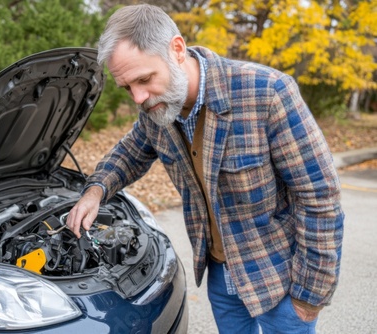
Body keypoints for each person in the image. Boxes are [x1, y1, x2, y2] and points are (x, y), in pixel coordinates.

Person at [66, 4, 344, 333]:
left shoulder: (268, 94)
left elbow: (320, 198)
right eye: (127, 88)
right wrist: (95, 191)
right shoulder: (157, 109)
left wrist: (309, 296)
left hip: (279, 279)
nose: (138, 98)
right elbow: (129, 153)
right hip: (220, 277)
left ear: (177, 50)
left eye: (144, 79)